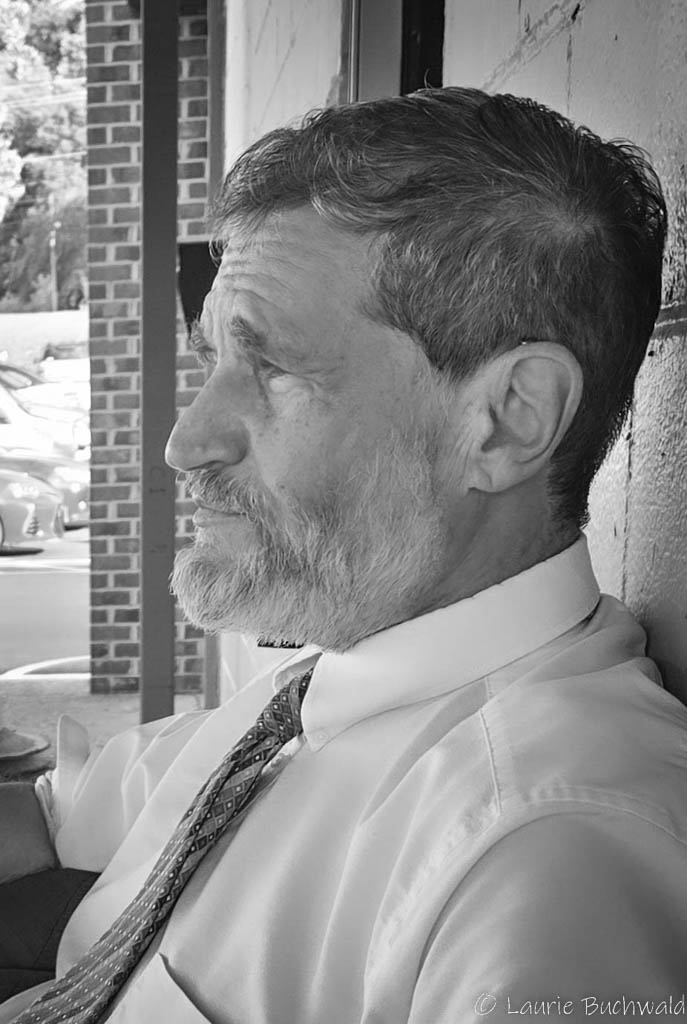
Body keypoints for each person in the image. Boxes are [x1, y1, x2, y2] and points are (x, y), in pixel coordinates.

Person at [2, 86, 686, 1023]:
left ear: (507, 420)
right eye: (213, 362)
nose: (185, 442)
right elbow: (58, 815)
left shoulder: (546, 851)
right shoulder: (331, 684)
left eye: (273, 368)